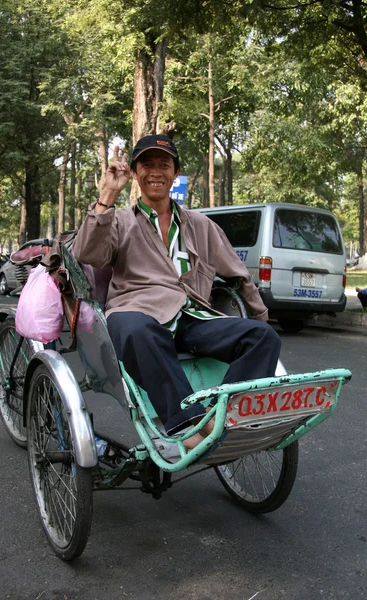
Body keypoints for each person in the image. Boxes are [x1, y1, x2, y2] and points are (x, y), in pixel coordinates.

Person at [74, 134, 281, 447]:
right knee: (136, 329)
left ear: (175, 173)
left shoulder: (200, 225)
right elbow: (88, 254)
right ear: (134, 172)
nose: (155, 171)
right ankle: (187, 424)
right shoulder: (119, 220)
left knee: (264, 337)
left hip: (191, 315)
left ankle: (220, 416)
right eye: (147, 164)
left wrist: (259, 315)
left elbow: (238, 274)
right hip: (137, 312)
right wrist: (106, 197)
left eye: (163, 165)